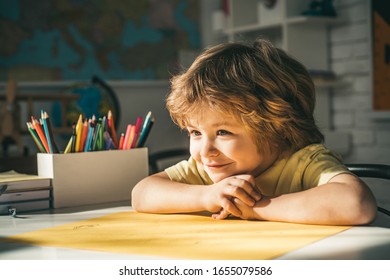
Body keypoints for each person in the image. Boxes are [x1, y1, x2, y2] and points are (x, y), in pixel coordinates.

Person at [132, 38, 377, 225]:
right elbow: (141, 194)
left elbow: (356, 203)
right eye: (195, 132)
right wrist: (207, 196)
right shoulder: (207, 170)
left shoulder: (303, 162)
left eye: (223, 132)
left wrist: (256, 207)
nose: (205, 151)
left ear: (276, 128)